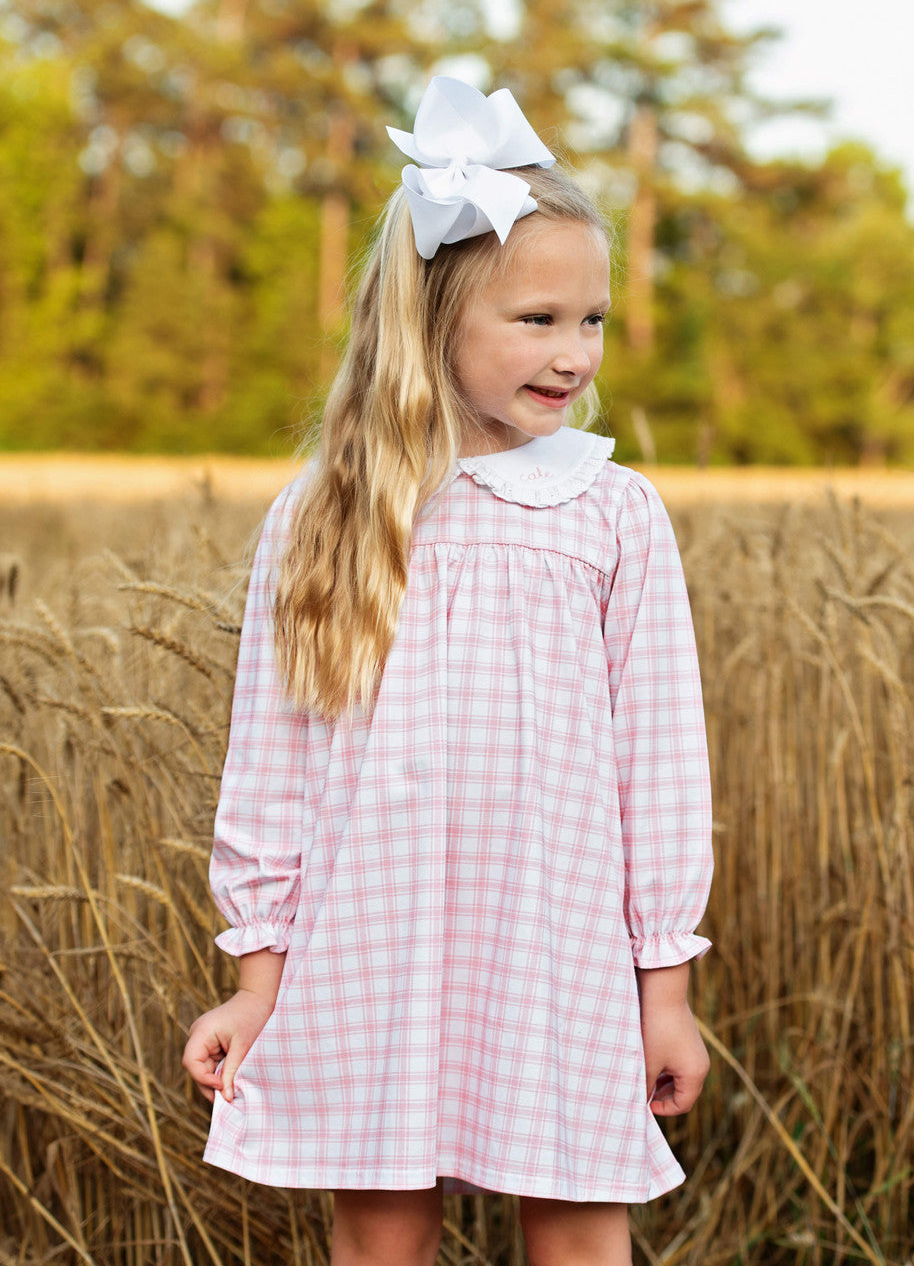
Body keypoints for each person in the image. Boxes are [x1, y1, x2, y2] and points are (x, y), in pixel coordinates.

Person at [182, 75, 714, 1266]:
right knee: (379, 1234)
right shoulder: (329, 509)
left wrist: (664, 988)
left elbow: (661, 763)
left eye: (591, 320)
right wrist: (258, 980)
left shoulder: (612, 512)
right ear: (433, 320)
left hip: (556, 946)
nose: (574, 353)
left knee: (580, 1226)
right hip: (372, 936)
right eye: (536, 319)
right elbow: (272, 767)